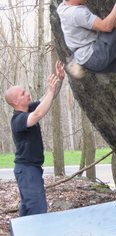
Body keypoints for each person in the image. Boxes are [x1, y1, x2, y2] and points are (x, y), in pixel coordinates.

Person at [4, 61, 65, 216]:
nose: (28, 93)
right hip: (27, 171)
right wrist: (50, 92)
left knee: (27, 209)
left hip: (31, 170)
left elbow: (47, 99)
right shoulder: (18, 120)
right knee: (38, 210)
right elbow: (38, 114)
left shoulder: (29, 108)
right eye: (23, 93)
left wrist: (59, 80)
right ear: (16, 102)